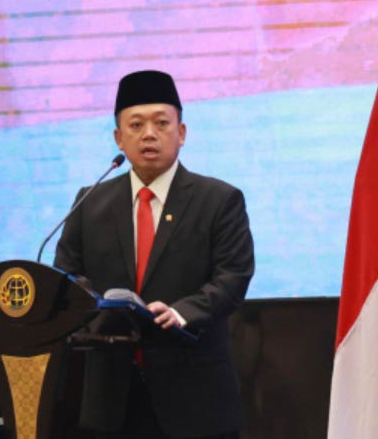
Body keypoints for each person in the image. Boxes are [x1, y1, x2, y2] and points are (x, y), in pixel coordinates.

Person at [54, 70, 254, 439]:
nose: (149, 134)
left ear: (182, 133)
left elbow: (233, 276)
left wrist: (182, 312)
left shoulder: (219, 200)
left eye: (162, 123)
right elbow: (66, 275)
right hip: (111, 397)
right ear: (119, 138)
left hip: (194, 395)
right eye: (136, 125)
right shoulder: (90, 202)